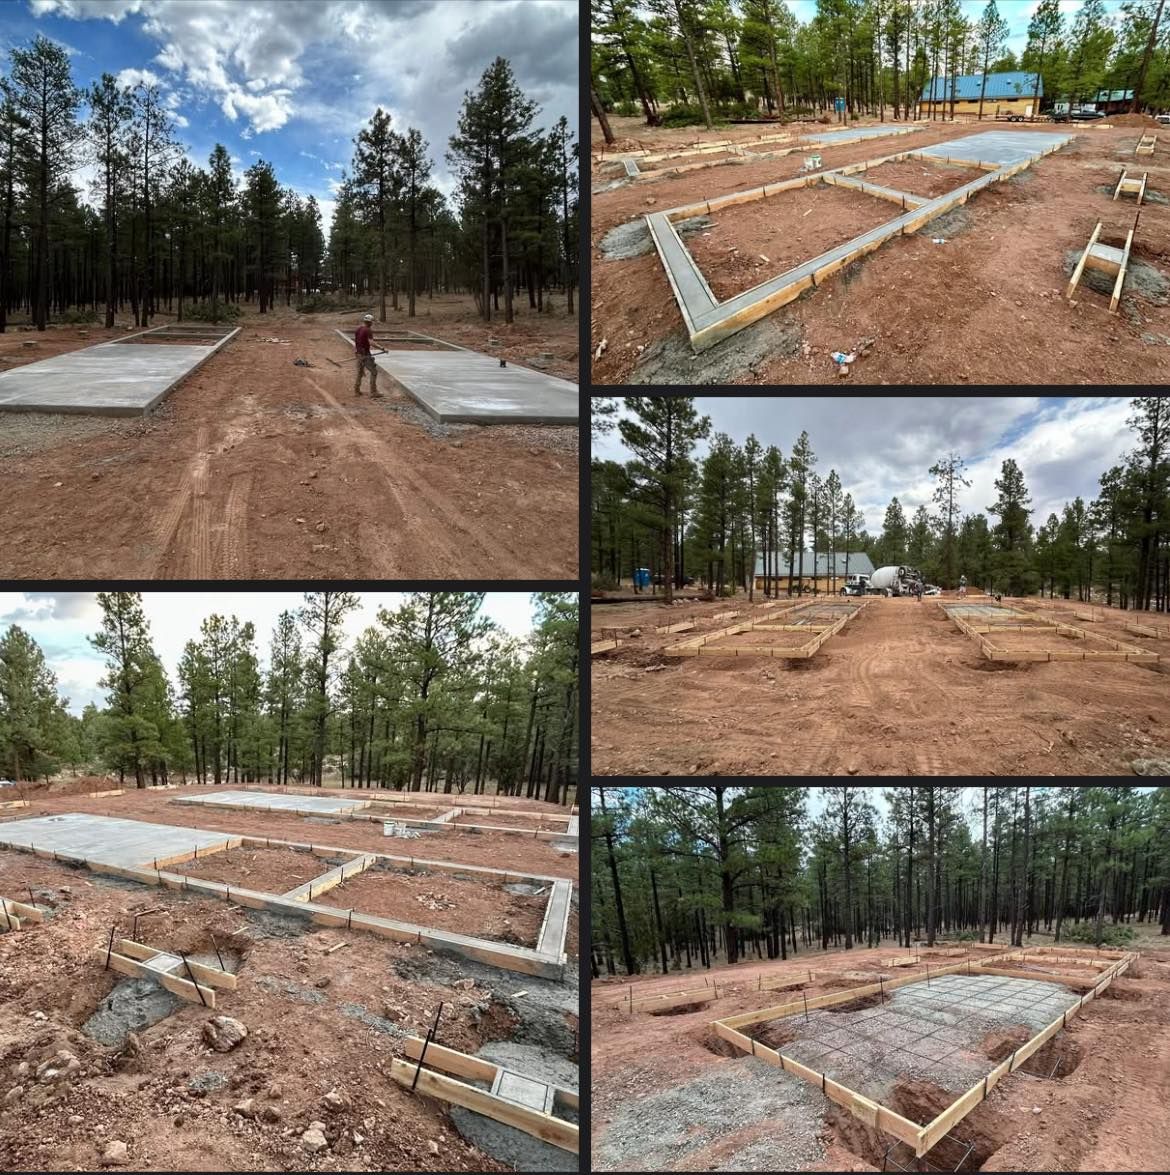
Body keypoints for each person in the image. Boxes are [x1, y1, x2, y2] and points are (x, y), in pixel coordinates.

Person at [353, 313, 382, 398]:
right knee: (374, 372)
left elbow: (357, 342)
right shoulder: (368, 330)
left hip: (358, 354)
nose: (372, 323)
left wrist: (357, 352)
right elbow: (371, 343)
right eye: (372, 322)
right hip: (365, 355)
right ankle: (373, 392)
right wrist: (382, 348)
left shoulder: (358, 329)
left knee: (360, 373)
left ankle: (356, 390)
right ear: (370, 322)